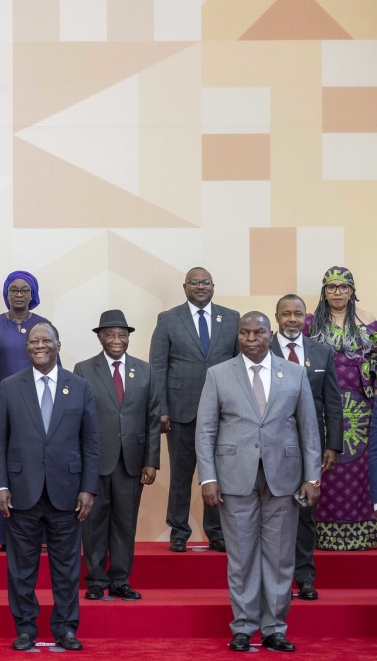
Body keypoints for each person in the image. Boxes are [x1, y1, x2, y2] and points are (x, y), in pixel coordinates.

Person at [195, 311, 320, 653]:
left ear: (270, 334)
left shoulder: (294, 373)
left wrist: (313, 477)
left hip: (285, 479)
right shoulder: (219, 374)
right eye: (245, 333)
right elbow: (205, 430)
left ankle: (274, 628)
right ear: (238, 336)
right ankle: (243, 627)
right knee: (242, 557)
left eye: (258, 333)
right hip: (234, 479)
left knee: (279, 558)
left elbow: (309, 428)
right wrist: (208, 477)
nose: (251, 339)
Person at [0, 323, 98, 652]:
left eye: (46, 340)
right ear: (27, 347)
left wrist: (88, 487)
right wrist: (0, 486)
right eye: (33, 341)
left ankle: (65, 629)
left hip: (68, 492)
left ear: (58, 345)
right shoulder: (9, 387)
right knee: (21, 569)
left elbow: (91, 442)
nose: (39, 345)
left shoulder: (79, 386)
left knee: (66, 568)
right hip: (21, 492)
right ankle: (25, 629)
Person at [149, 267, 239, 552]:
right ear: (185, 286)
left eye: (206, 282)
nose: (200, 286)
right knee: (181, 473)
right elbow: (158, 366)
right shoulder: (168, 319)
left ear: (213, 286)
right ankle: (178, 530)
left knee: (217, 474)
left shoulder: (232, 318)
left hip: (222, 412)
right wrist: (161, 408)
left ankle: (216, 532)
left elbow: (240, 366)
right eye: (194, 282)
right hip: (180, 411)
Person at [72, 310, 160, 601]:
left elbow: (152, 418)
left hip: (132, 461)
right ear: (99, 337)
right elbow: (77, 419)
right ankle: (96, 579)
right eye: (110, 334)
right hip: (95, 461)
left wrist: (151, 460)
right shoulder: (83, 369)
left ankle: (120, 579)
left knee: (125, 522)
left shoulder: (145, 370)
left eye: (122, 335)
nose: (117, 340)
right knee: (94, 523)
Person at [271, 294, 343, 600]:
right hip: (270, 449)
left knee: (305, 513)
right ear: (276, 317)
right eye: (285, 314)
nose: (291, 319)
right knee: (271, 513)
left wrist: (333, 445)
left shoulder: (321, 352)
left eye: (297, 314)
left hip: (309, 451)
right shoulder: (261, 349)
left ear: (305, 318)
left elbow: (332, 402)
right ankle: (274, 581)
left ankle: (304, 577)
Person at [0, 271, 53, 549]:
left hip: (38, 408)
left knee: (35, 466)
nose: (19, 294)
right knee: (3, 466)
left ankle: (39, 534)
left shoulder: (43, 325)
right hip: (2, 406)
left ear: (33, 294)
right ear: (6, 294)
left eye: (24, 290)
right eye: (14, 289)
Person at [306, 267, 377, 551]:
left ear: (352, 291)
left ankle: (361, 532)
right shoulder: (310, 325)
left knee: (359, 469)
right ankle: (319, 533)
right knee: (325, 466)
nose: (338, 292)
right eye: (332, 287)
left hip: (361, 409)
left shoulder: (368, 322)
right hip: (321, 406)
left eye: (343, 287)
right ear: (324, 291)